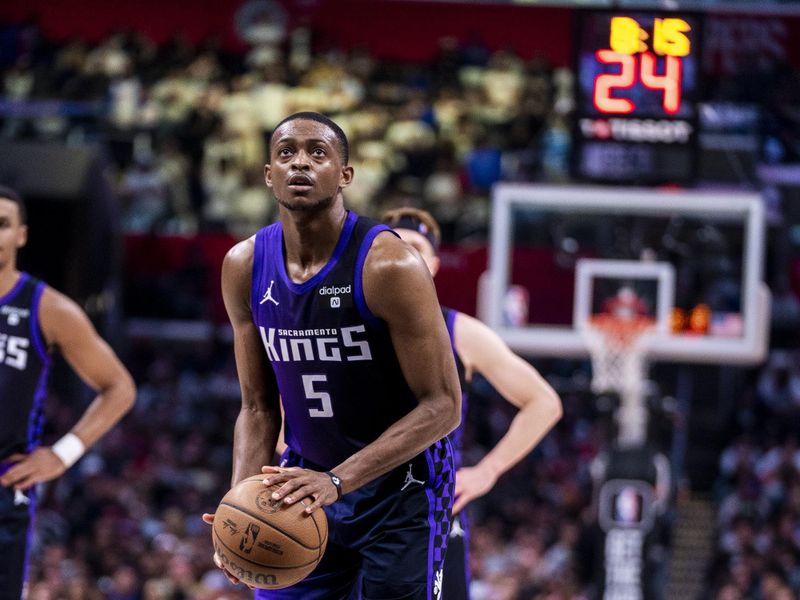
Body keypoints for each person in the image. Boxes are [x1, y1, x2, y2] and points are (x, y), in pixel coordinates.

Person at [203, 112, 461, 599]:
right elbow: (258, 407)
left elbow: (444, 406)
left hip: (404, 489)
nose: (300, 162)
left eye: (317, 152)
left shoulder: (390, 264)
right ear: (267, 174)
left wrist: (338, 480)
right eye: (286, 153)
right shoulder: (244, 265)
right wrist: (238, 504)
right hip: (302, 483)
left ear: (345, 175)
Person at [382, 207, 563, 600]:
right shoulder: (345, 327)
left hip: (431, 514)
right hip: (357, 508)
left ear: (432, 265)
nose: (404, 254)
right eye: (393, 246)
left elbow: (544, 403)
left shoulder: (460, 331)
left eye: (415, 247)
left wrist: (489, 470)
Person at [0, 185, 136, 600]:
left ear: (21, 235)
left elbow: (119, 388)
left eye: (2, 224)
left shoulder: (46, 308)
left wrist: (63, 454)